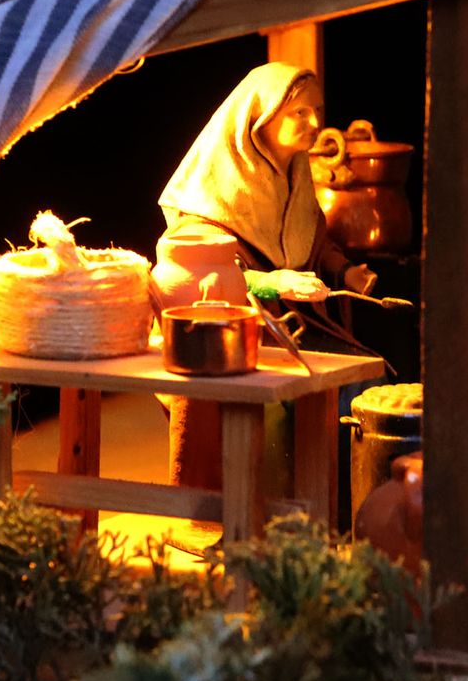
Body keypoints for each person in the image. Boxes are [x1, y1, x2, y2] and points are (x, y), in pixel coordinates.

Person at [157, 62, 375, 494]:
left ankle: (337, 506)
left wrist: (343, 269)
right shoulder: (212, 190)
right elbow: (205, 275)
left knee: (364, 383)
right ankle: (269, 514)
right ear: (261, 114)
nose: (314, 123)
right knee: (276, 409)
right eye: (299, 113)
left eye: (317, 110)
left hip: (296, 325)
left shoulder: (297, 174)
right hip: (232, 338)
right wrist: (274, 283)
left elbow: (311, 239)